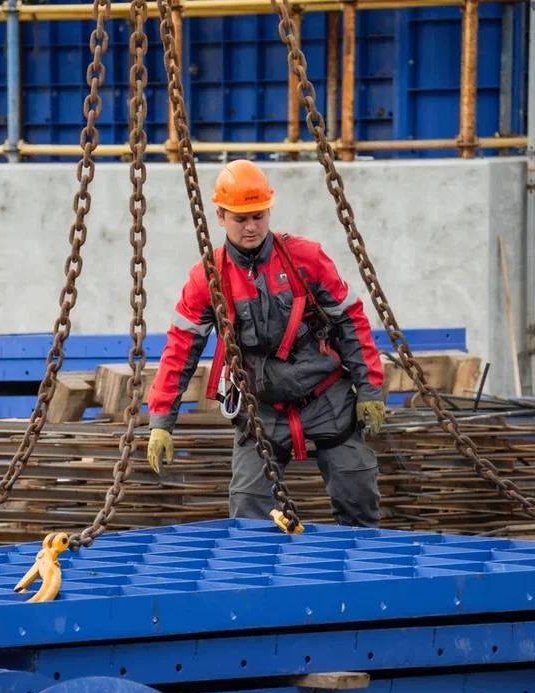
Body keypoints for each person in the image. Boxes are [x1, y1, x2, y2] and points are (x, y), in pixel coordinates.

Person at [145, 159, 386, 527]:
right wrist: (162, 420)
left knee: (357, 490)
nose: (251, 226)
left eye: (258, 216)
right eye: (240, 218)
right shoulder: (208, 278)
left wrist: (369, 389)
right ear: (221, 217)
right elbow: (180, 349)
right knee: (249, 512)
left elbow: (350, 320)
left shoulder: (306, 259)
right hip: (261, 408)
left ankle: (363, 560)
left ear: (269, 211)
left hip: (326, 399)